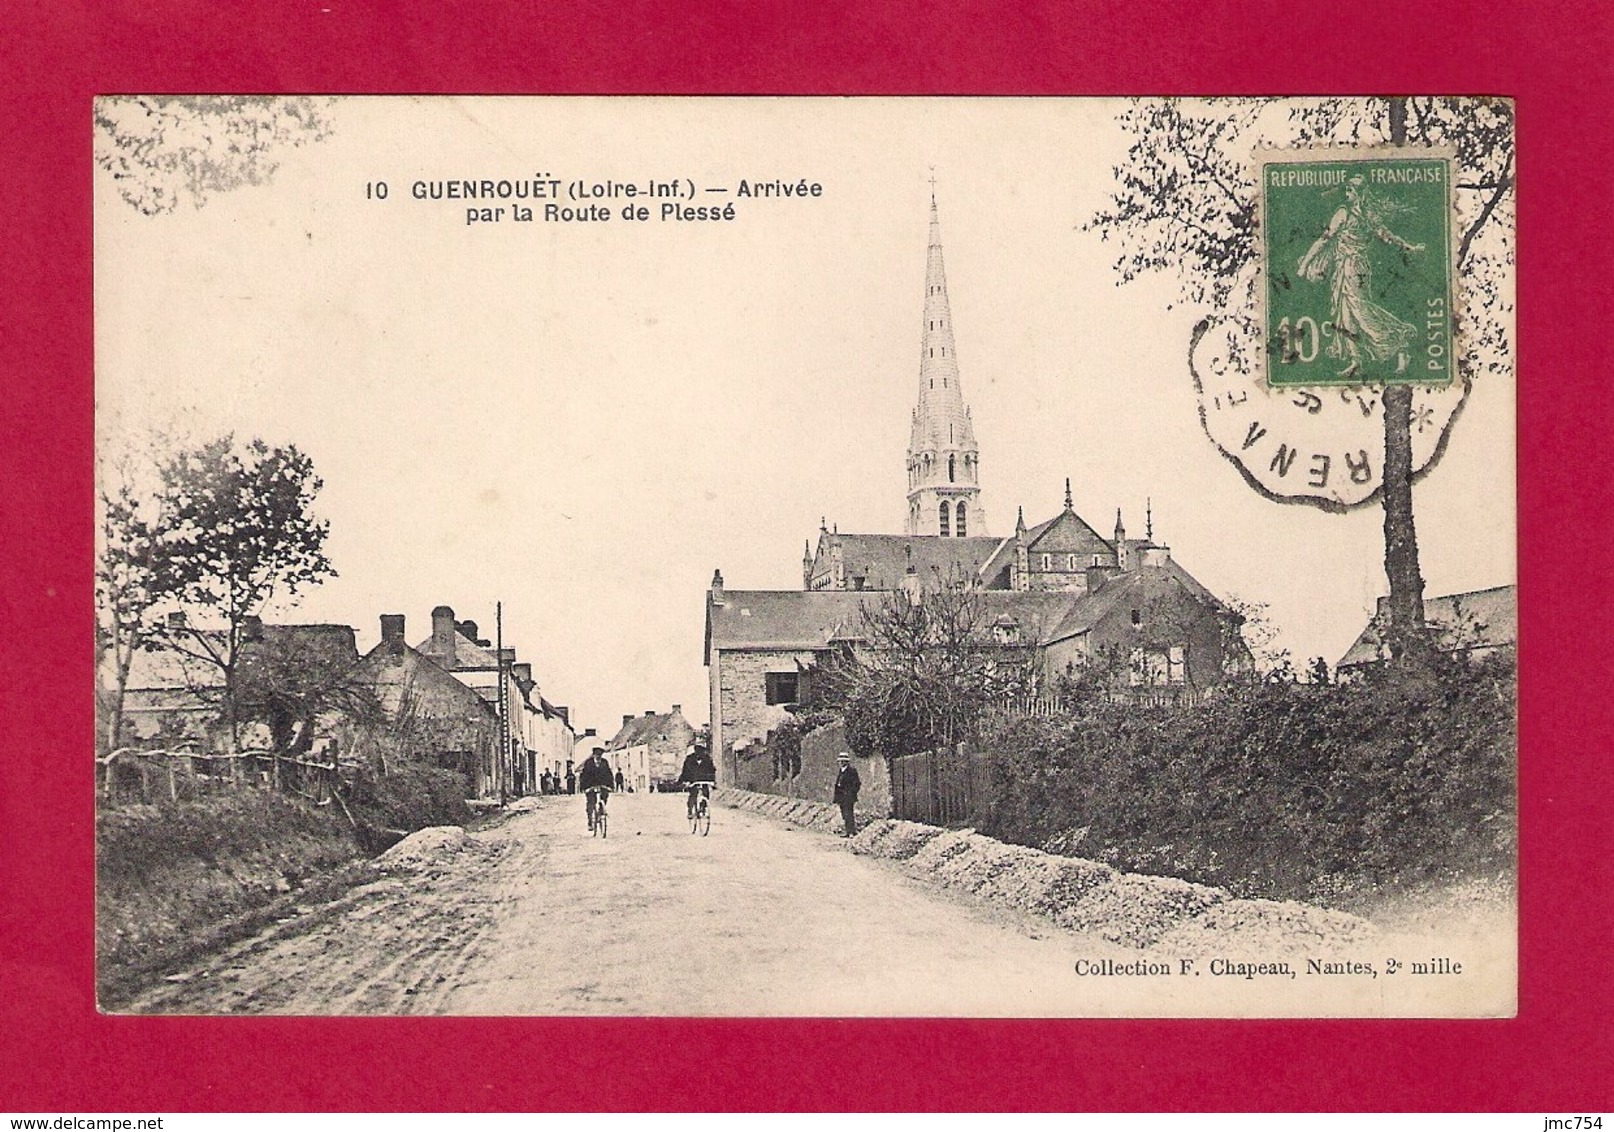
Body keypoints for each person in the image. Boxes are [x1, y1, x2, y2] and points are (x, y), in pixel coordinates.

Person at [1295, 174, 1425, 380]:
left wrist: (1304, 264)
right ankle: (1356, 359)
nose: (1346, 195)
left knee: (1360, 309)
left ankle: (1399, 343)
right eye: (1346, 191)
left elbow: (1324, 239)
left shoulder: (1347, 214)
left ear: (1359, 194)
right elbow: (1387, 237)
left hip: (1353, 267)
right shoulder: (1365, 216)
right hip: (1350, 267)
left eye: (1350, 191)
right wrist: (1410, 247)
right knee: (1345, 310)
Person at [677, 743, 717, 821]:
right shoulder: (689, 759)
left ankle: (703, 807)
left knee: (706, 792)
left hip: (704, 779)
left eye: (701, 749)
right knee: (693, 793)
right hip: (693, 780)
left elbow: (712, 770)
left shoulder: (707, 758)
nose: (700, 751)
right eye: (698, 749)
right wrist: (683, 781)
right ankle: (690, 810)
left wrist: (713, 781)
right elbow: (685, 771)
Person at [578, 747, 614, 831]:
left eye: (600, 755)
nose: (598, 757)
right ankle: (590, 821)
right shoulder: (588, 763)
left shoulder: (604, 762)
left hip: (602, 785)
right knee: (591, 802)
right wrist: (584, 787)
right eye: (597, 755)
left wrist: (610, 786)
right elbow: (584, 775)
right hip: (590, 785)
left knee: (604, 796)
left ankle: (601, 811)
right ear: (593, 755)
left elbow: (609, 774)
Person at [832, 752, 861, 838]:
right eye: (840, 761)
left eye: (843, 761)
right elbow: (838, 784)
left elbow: (857, 783)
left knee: (849, 814)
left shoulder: (852, 771)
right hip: (841, 797)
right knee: (844, 814)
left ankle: (852, 832)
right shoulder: (841, 771)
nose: (840, 763)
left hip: (848, 797)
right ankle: (848, 831)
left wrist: (851, 793)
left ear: (846, 762)